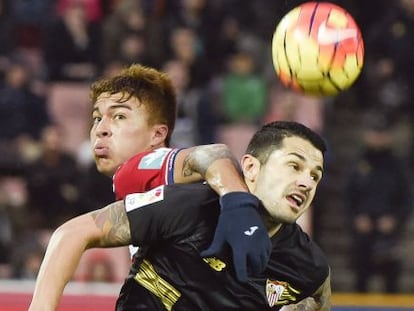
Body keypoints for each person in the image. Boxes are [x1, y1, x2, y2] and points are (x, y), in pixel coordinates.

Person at [29, 121, 331, 310]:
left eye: (315, 176)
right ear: (251, 167)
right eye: (294, 166)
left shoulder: (309, 268)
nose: (307, 182)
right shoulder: (189, 206)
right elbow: (72, 233)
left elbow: (317, 303)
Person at [87, 63, 271, 280]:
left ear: (157, 135)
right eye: (97, 118)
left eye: (119, 117)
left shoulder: (135, 169)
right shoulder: (144, 184)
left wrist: (239, 205)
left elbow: (213, 153)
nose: (100, 129)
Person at [345, 116, 412, 293]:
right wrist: (356, 218)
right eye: (374, 133)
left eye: (381, 133)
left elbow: (406, 199)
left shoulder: (397, 165)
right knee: (361, 281)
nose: (378, 137)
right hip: (363, 231)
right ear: (367, 135)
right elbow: (348, 197)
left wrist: (395, 219)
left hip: (389, 233)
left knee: (392, 283)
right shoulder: (358, 162)